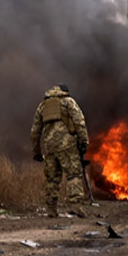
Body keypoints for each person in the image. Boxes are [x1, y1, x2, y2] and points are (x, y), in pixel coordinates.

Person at [30, 84, 89, 217]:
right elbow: (79, 122)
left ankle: (51, 209)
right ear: (64, 92)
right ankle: (75, 206)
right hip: (67, 145)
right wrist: (84, 141)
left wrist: (37, 152)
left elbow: (35, 131)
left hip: (49, 147)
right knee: (73, 175)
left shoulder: (43, 105)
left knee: (52, 178)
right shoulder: (68, 102)